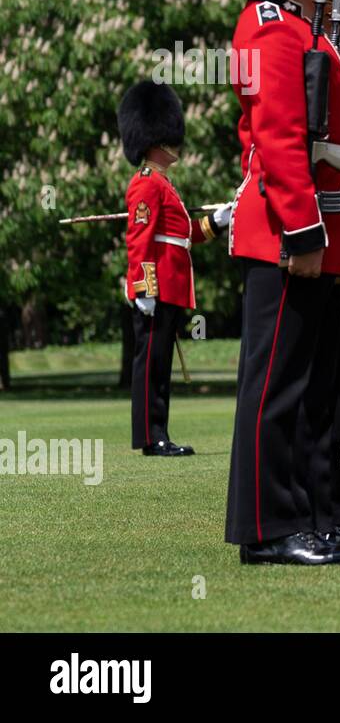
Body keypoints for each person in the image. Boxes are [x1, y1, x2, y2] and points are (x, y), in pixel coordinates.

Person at [203, 0, 340, 565]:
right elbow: (278, 141)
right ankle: (266, 531)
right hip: (281, 234)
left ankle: (295, 517)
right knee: (273, 389)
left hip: (295, 233)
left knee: (296, 388)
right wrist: (305, 235)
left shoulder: (294, 27)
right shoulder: (267, 29)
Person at [118, 79, 230, 457]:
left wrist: (217, 222)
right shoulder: (146, 185)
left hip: (171, 285)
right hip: (157, 286)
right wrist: (143, 287)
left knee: (160, 364)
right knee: (151, 364)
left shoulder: (166, 186)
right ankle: (152, 438)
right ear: (155, 139)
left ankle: (158, 433)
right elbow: (139, 240)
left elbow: (184, 237)